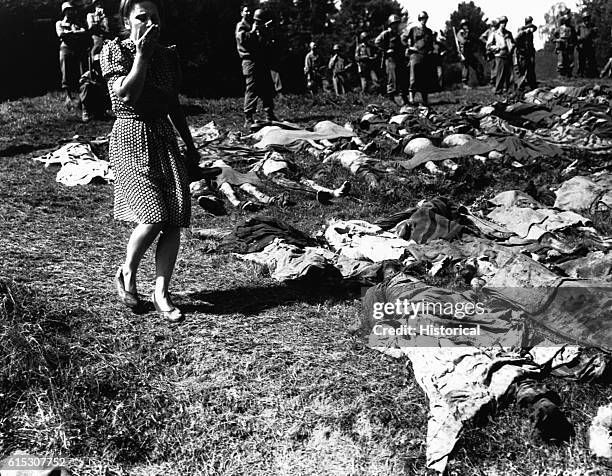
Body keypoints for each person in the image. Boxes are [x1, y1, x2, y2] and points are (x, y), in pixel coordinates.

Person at [100, 0, 201, 322]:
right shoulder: (115, 51)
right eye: (141, 17)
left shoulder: (168, 56)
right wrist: (141, 56)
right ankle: (127, 273)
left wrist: (190, 143)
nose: (149, 23)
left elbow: (172, 103)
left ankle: (161, 292)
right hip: (131, 136)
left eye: (154, 17)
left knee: (173, 217)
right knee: (153, 215)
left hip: (163, 137)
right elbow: (125, 96)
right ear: (127, 21)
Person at [235, 6, 277, 128]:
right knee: (252, 89)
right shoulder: (241, 26)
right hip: (249, 61)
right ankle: (248, 118)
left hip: (260, 60)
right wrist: (253, 31)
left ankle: (269, 114)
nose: (247, 13)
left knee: (266, 87)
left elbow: (263, 43)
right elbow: (242, 40)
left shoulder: (255, 26)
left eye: (249, 11)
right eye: (245, 11)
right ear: (241, 13)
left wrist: (265, 31)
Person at [56, 2, 91, 109]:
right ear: (64, 11)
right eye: (67, 10)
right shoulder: (59, 23)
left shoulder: (77, 22)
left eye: (71, 9)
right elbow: (60, 34)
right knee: (66, 72)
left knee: (82, 72)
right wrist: (74, 32)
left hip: (78, 48)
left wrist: (70, 32)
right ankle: (68, 97)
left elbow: (84, 31)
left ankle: (83, 99)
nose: (69, 12)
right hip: (66, 48)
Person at [403, 11, 436, 105]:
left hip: (425, 56)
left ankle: (424, 100)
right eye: (422, 19)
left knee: (424, 78)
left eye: (425, 18)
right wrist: (409, 48)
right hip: (415, 55)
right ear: (419, 19)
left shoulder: (429, 31)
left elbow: (431, 44)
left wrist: (430, 51)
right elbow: (403, 38)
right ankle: (411, 99)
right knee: (413, 78)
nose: (423, 20)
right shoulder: (413, 29)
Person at [375, 14, 408, 104]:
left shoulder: (397, 35)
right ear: (390, 24)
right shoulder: (386, 33)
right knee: (392, 78)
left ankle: (403, 98)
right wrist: (386, 51)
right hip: (390, 59)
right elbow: (377, 43)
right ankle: (391, 98)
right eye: (394, 23)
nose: (396, 25)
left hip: (398, 58)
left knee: (401, 78)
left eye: (397, 23)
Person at [487, 16, 515, 95]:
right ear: (499, 23)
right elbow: (488, 45)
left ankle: (508, 90)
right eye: (502, 22)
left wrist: (512, 45)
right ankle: (498, 91)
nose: (504, 24)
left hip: (508, 55)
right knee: (500, 74)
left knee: (509, 75)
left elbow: (513, 43)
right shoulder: (495, 33)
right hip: (499, 55)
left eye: (505, 22)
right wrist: (497, 48)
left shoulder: (509, 33)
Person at [456, 18, 483, 87]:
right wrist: (466, 36)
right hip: (463, 53)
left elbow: (473, 40)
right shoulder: (460, 33)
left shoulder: (468, 32)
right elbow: (463, 41)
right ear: (462, 26)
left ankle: (481, 81)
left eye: (467, 25)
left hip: (469, 53)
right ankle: (465, 83)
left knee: (478, 65)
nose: (466, 26)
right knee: (465, 67)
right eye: (464, 25)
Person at [515, 16, 537, 91]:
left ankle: (532, 85)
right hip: (522, 54)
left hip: (529, 53)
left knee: (530, 69)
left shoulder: (530, 33)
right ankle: (520, 86)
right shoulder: (522, 32)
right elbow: (516, 41)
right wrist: (521, 49)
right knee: (522, 70)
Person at [87, 0, 111, 64]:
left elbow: (107, 30)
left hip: (104, 39)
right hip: (95, 39)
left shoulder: (104, 17)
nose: (99, 5)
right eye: (97, 4)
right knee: (96, 57)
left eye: (101, 3)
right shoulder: (90, 15)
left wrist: (103, 17)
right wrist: (98, 18)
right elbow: (90, 27)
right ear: (94, 5)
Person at [555, 12, 576, 78]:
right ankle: (561, 74)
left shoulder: (572, 28)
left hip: (569, 43)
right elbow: (555, 34)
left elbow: (574, 37)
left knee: (570, 59)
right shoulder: (560, 28)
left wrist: (573, 44)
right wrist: (558, 41)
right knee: (561, 59)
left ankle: (569, 73)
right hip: (561, 44)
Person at [480, 18, 499, 85]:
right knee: (493, 65)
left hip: (495, 50)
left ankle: (494, 79)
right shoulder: (489, 31)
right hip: (490, 50)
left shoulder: (496, 31)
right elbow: (481, 37)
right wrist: (487, 42)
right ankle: (493, 80)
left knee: (495, 65)